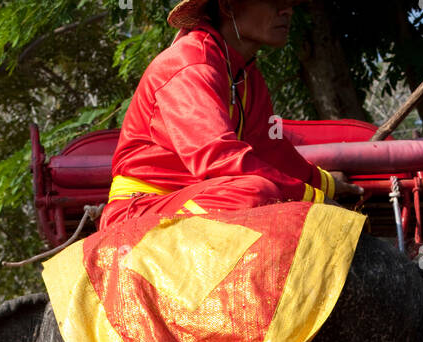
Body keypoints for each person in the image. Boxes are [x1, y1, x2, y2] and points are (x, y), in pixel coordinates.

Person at [101, 0, 360, 230]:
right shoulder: (191, 65)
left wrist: (326, 184)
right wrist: (312, 197)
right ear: (227, 7)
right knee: (256, 193)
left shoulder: (248, 75)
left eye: (291, 3)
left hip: (196, 197)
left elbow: (273, 149)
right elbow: (220, 159)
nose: (287, 10)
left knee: (262, 191)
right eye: (274, 2)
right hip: (140, 212)